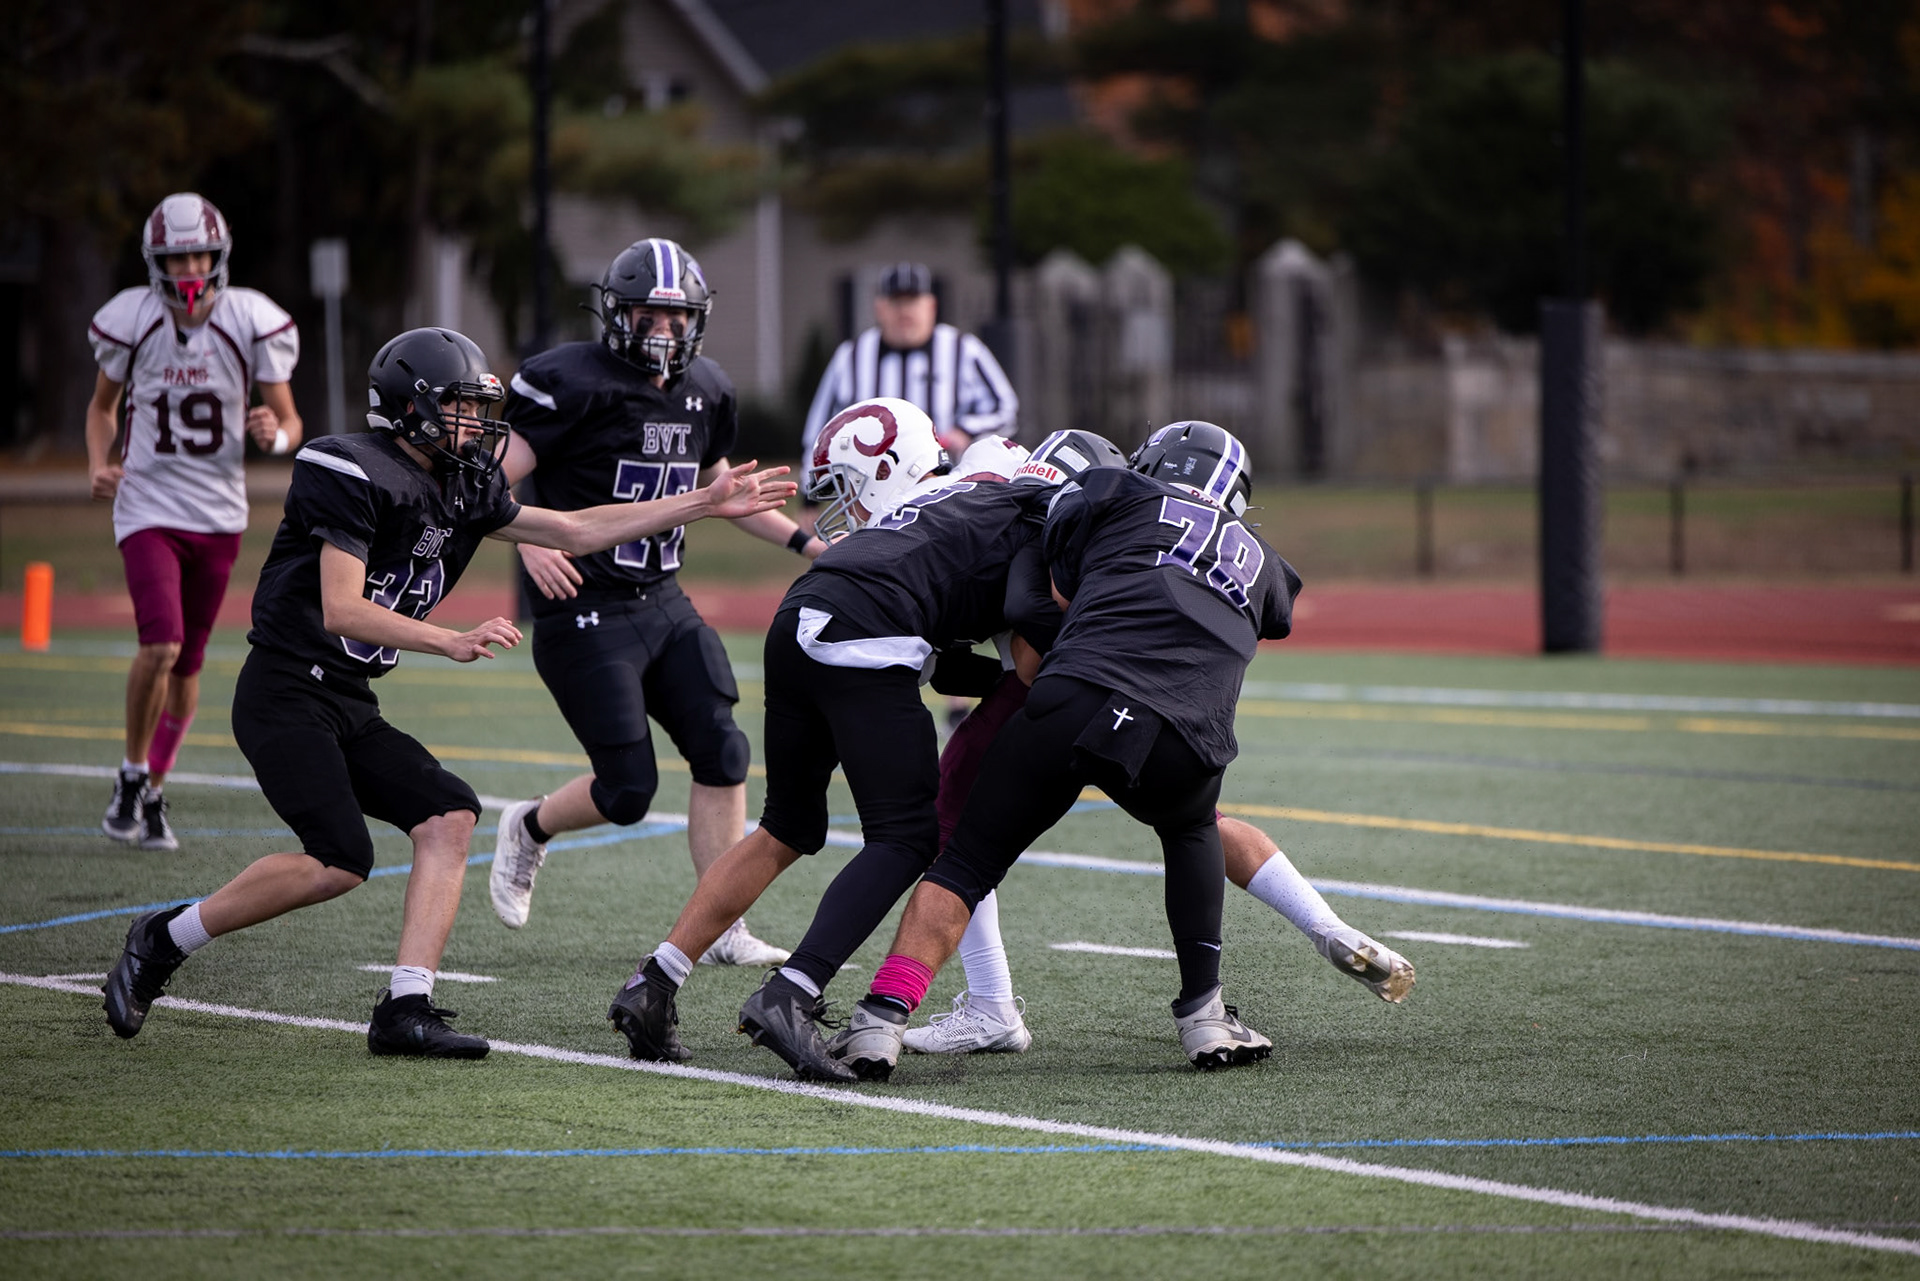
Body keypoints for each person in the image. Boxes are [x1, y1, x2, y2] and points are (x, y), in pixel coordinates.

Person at [100, 327, 795, 1058]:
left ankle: (406, 1005)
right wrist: (449, 638)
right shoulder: (350, 467)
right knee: (339, 858)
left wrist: (703, 503)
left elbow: (573, 527)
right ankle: (164, 936)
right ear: (411, 408)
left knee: (450, 813)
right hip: (283, 693)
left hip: (348, 699)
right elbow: (341, 608)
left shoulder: (461, 481)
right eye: (462, 408)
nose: (478, 426)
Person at [606, 400, 1095, 1081]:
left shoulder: (957, 497)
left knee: (785, 826)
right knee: (907, 837)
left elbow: (942, 650)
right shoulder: (1039, 521)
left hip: (804, 615)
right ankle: (791, 992)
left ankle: (654, 982)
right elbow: (1023, 644)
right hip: (866, 631)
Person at [825, 422, 1309, 1078]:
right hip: (1185, 728)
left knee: (966, 860)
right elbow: (1278, 610)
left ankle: (881, 1019)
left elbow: (1054, 548)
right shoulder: (1262, 558)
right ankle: (1204, 1016)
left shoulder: (1118, 491)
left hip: (1072, 694)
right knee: (1189, 826)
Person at [487, 239, 824, 967]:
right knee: (628, 788)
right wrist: (530, 540)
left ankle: (721, 920)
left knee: (724, 752)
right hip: (585, 606)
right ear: (615, 312)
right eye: (648, 314)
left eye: (676, 316)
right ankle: (530, 826)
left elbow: (722, 494)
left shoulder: (708, 386)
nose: (662, 330)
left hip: (663, 598)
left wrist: (809, 546)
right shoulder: (569, 381)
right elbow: (487, 486)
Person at [86, 193, 302, 852]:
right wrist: (99, 460)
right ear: (155, 261)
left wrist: (275, 435)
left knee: (188, 668)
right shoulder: (134, 319)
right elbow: (102, 408)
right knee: (162, 644)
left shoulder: (249, 319)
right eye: (176, 254)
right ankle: (129, 773)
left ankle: (153, 787)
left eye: (198, 252)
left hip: (219, 515)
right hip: (149, 504)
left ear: (219, 254)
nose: (189, 265)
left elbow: (291, 422)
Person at [799, 261, 1018, 485]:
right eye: (896, 302)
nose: (904, 311)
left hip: (950, 483)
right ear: (880, 308)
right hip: (873, 486)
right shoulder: (851, 356)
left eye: (913, 301)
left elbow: (1005, 408)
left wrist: (965, 430)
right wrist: (811, 493)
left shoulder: (964, 349)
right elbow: (820, 428)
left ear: (931, 306)